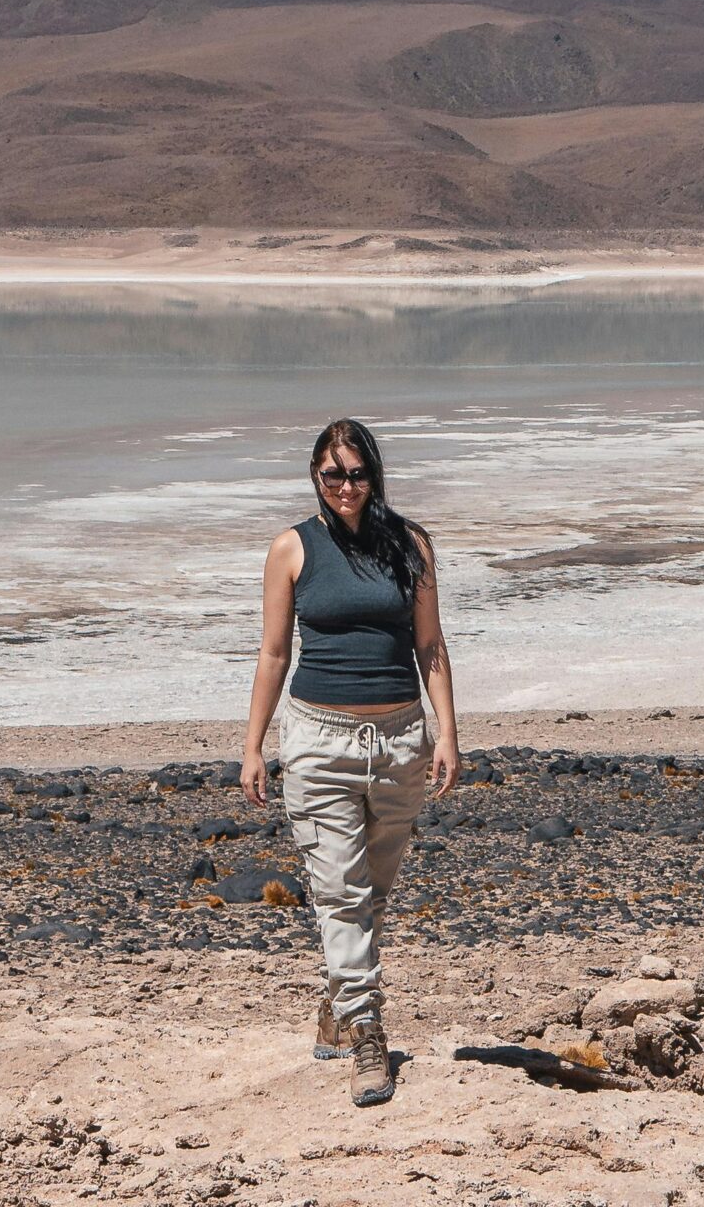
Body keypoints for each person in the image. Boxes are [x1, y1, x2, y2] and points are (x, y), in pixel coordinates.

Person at [241, 416, 459, 1106]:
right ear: (315, 475)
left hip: (399, 741)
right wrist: (252, 746)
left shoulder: (411, 544)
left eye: (356, 473)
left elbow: (430, 647)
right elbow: (275, 652)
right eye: (332, 474)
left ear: (374, 475)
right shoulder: (291, 549)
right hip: (317, 741)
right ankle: (368, 1034)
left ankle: (340, 1000)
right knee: (339, 890)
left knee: (374, 891)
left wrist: (447, 734)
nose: (345, 486)